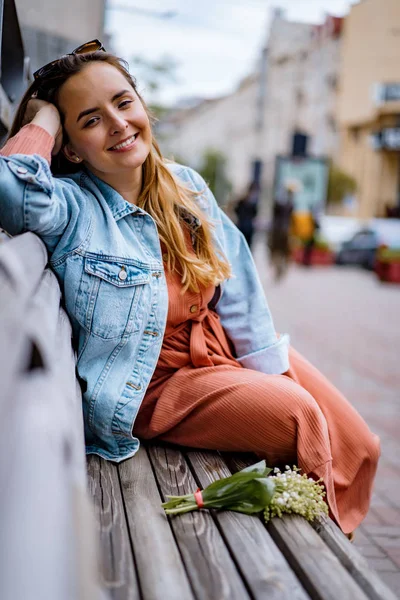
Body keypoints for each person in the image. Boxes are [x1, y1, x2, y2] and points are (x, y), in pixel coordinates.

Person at [0, 41, 379, 536]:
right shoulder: (73, 208)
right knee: (300, 416)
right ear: (69, 147)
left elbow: (238, 286)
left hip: (215, 350)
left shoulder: (186, 186)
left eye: (122, 102)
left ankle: (325, 519)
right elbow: (12, 191)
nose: (117, 124)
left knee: (358, 442)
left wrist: (265, 369)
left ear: (141, 105)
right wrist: (44, 117)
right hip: (155, 385)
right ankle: (322, 547)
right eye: (90, 120)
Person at [268, 185, 294, 280]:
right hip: (281, 231)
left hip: (279, 231)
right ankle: (279, 269)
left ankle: (279, 269)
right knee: (279, 252)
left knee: (279, 252)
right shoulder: (287, 205)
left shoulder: (284, 205)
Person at [234, 181, 259, 249]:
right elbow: (236, 210)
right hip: (242, 226)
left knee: (246, 246)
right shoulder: (243, 201)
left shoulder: (252, 203)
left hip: (248, 227)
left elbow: (254, 215)